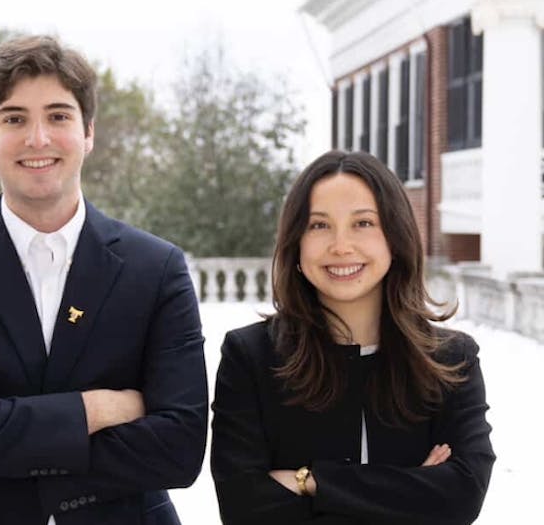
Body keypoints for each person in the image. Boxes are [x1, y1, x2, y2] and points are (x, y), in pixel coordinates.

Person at [0, 35, 208, 524]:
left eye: (58, 116)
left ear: (88, 132)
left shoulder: (157, 269)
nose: (37, 138)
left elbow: (180, 448)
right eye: (14, 118)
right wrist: (97, 409)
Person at [210, 150, 495, 524]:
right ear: (296, 242)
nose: (341, 245)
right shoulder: (250, 356)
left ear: (395, 235)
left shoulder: (451, 359)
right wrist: (412, 491)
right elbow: (244, 508)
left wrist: (313, 481)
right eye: (319, 225)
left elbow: (461, 496)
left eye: (362, 223)